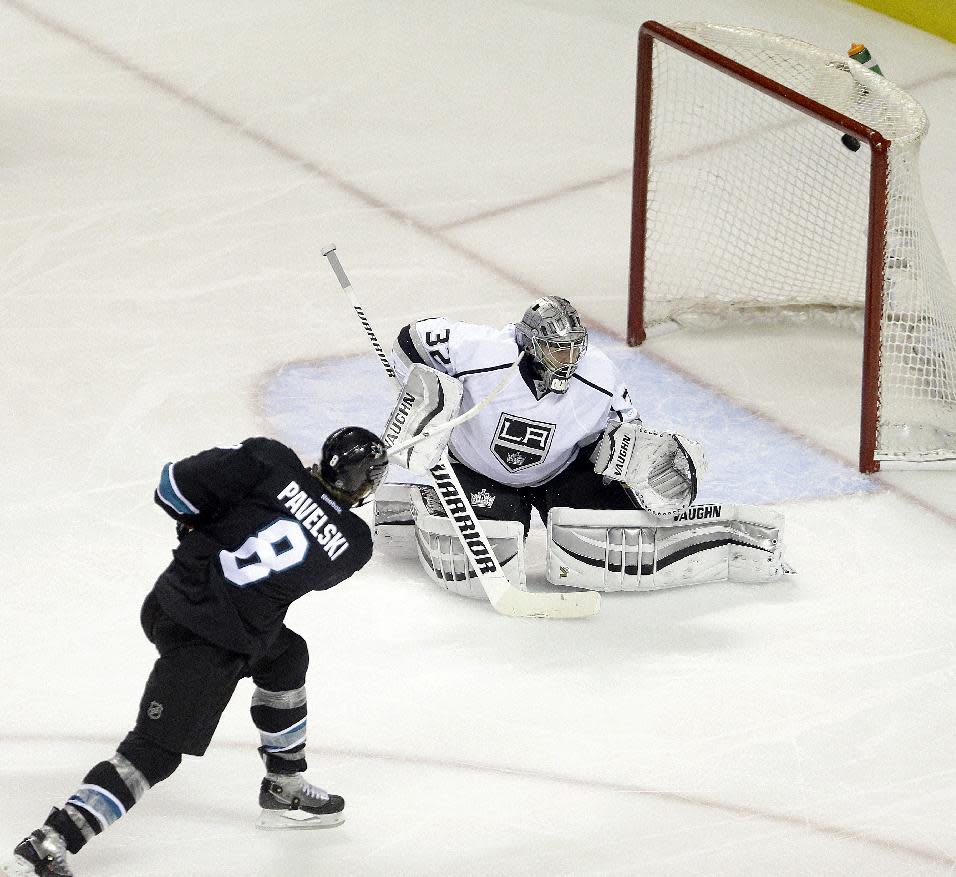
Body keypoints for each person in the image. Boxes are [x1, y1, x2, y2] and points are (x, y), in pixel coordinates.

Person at [5, 428, 388, 877]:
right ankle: (45, 849)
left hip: (172, 602)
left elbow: (171, 487)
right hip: (211, 643)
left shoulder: (268, 461)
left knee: (286, 655)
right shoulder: (354, 545)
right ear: (367, 485)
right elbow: (313, 567)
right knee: (153, 754)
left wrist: (208, 519)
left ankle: (283, 784)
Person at [377, 296, 793, 599]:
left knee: (617, 528)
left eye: (576, 346)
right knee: (494, 548)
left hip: (559, 474)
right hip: (476, 469)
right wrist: (426, 393)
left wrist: (628, 460)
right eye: (558, 347)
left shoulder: (600, 376)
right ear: (529, 343)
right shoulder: (482, 351)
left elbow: (628, 432)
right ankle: (421, 503)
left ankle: (722, 542)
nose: (570, 357)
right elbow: (410, 338)